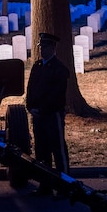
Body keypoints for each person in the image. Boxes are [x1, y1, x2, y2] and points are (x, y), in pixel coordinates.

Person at [26, 32, 70, 196]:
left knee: (58, 151)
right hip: (38, 115)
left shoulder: (59, 70)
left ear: (52, 48)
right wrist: (30, 107)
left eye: (45, 47)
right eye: (41, 47)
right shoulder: (37, 66)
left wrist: (42, 109)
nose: (42, 50)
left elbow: (56, 95)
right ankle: (45, 186)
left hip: (52, 115)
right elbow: (31, 89)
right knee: (41, 152)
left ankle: (64, 187)